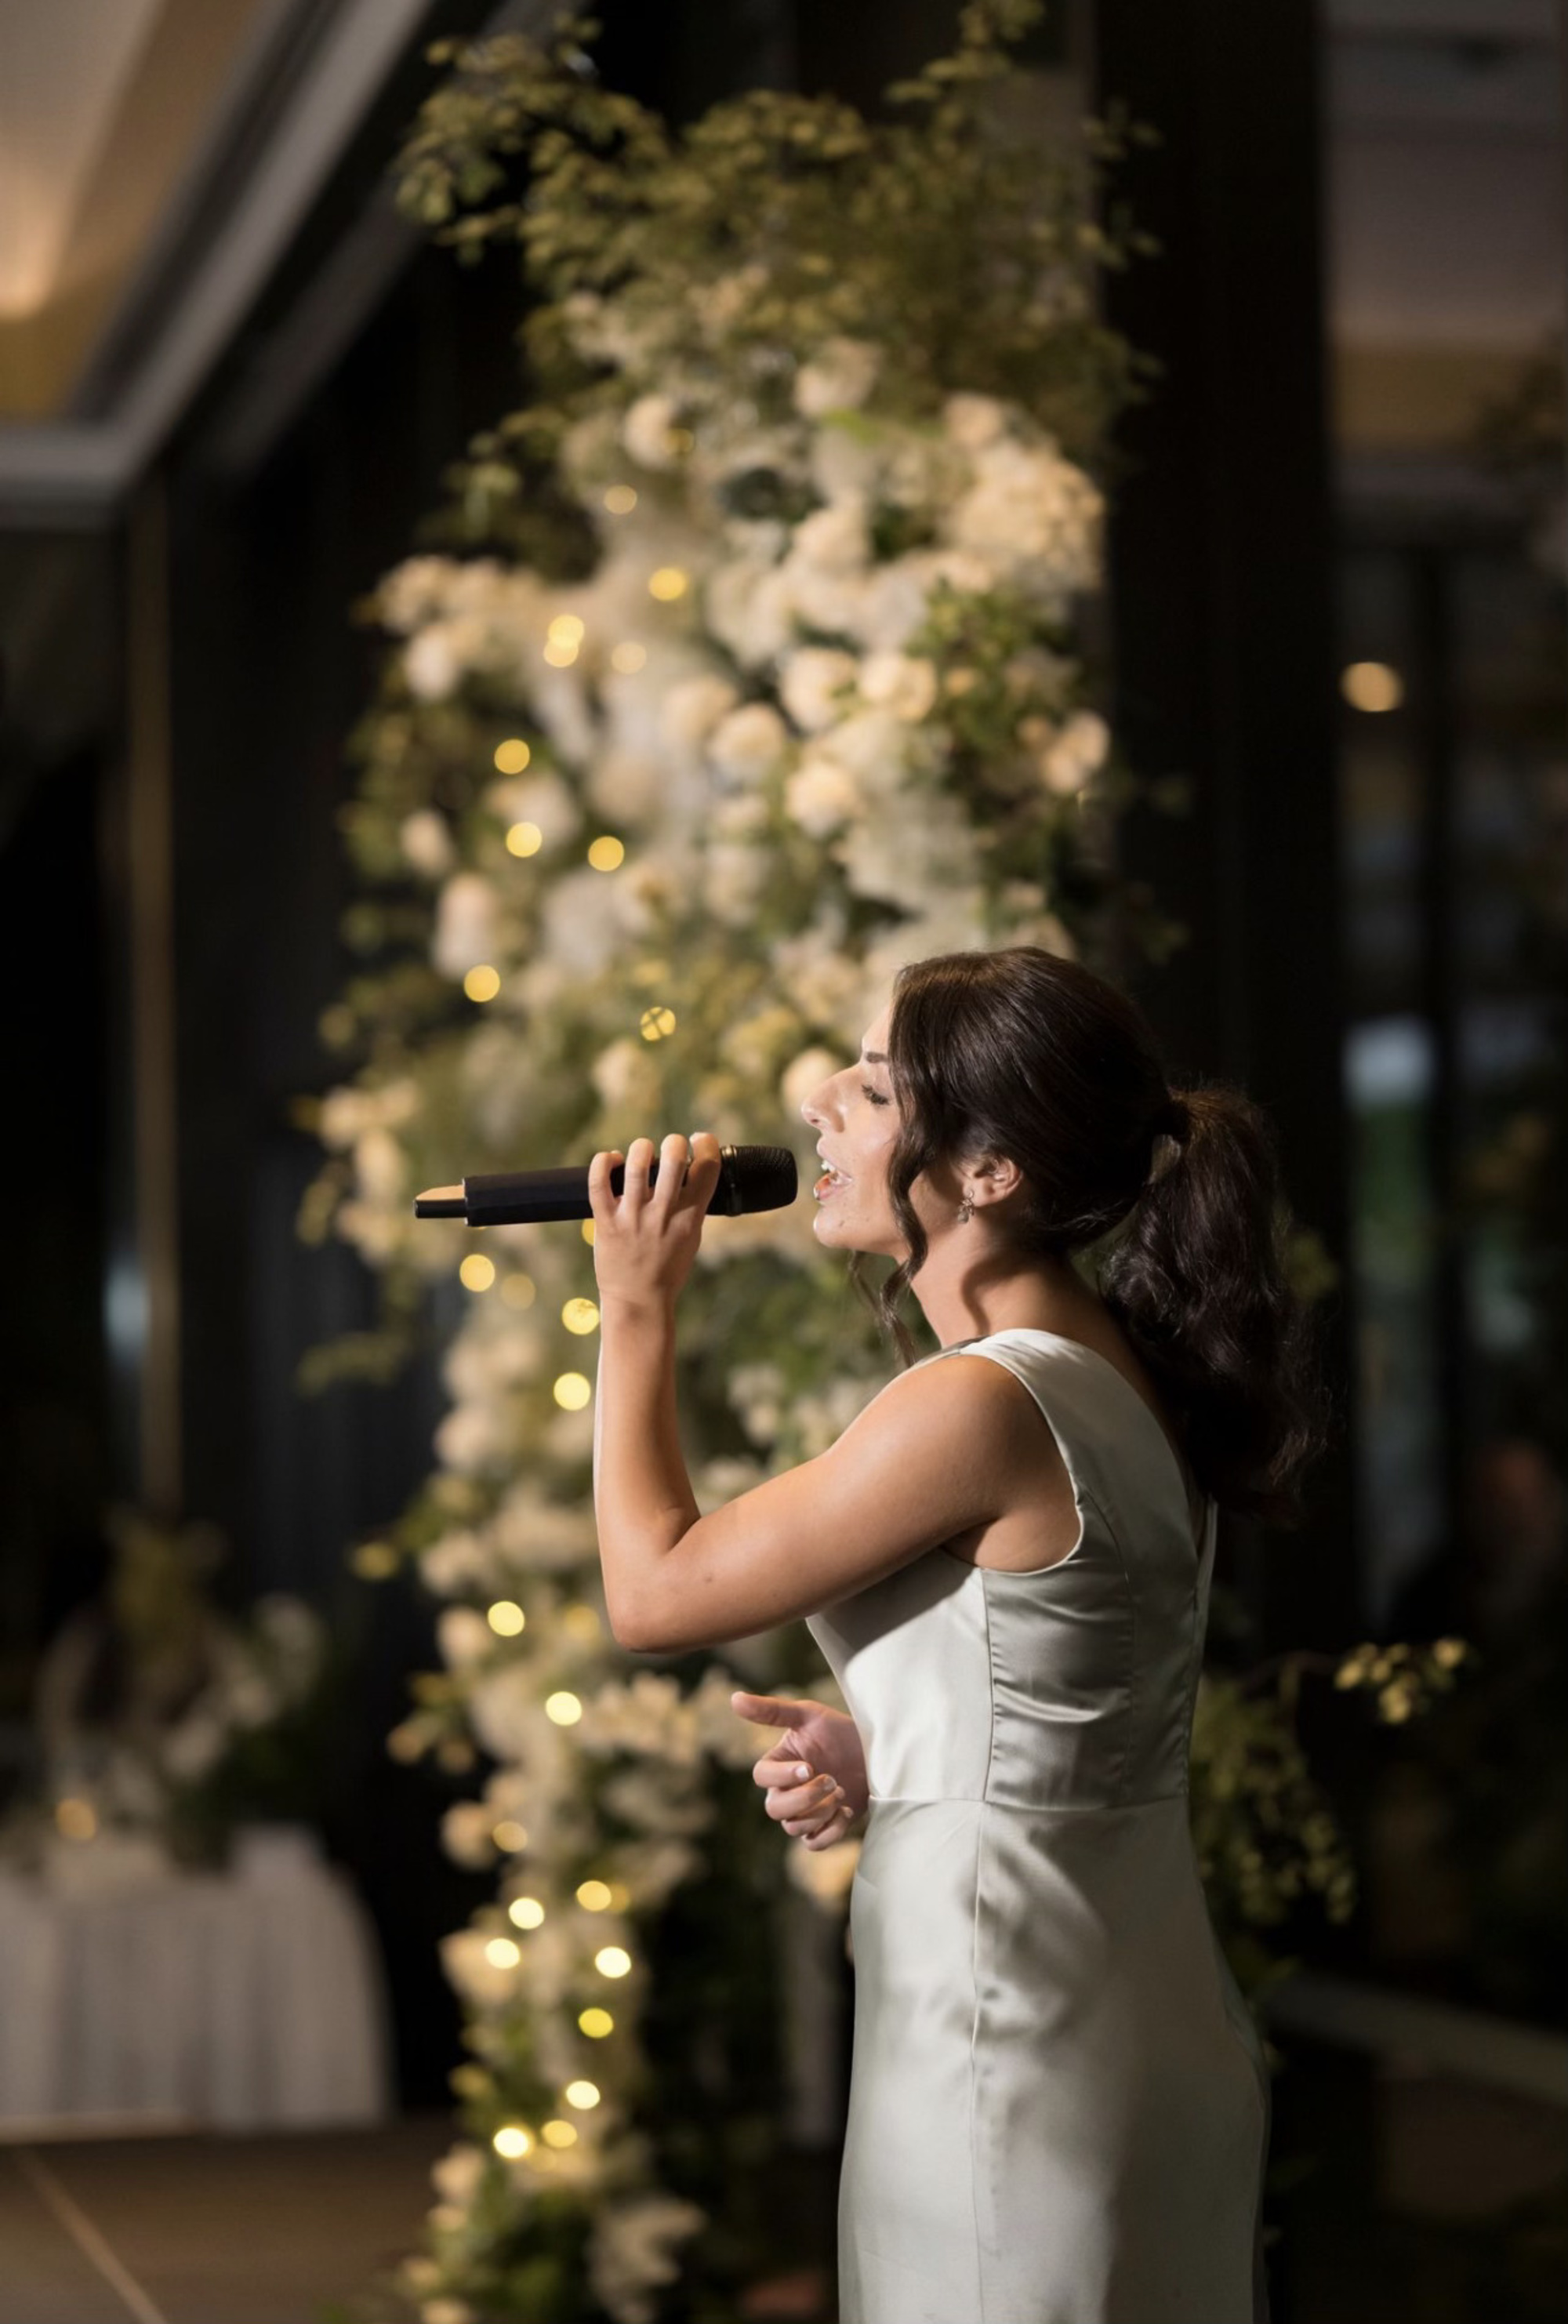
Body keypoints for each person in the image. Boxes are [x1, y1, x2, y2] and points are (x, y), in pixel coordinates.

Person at [587, 944, 1327, 2324]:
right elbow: (1077, 1684)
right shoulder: (1126, 1371)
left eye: (871, 1089)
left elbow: (655, 1591)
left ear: (989, 1172)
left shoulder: (981, 1403)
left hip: (1009, 2052)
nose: (818, 1101)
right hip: (1133, 2021)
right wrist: (904, 1751)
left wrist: (635, 1306)